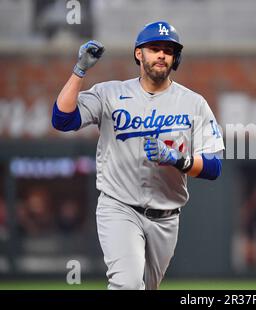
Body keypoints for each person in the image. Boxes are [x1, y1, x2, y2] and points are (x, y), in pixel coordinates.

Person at [51, 21, 225, 290]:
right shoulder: (111, 93)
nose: (161, 55)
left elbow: (214, 166)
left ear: (175, 57)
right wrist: (79, 70)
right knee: (128, 285)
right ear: (138, 54)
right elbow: (62, 119)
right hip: (119, 206)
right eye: (154, 48)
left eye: (168, 50)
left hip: (166, 216)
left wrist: (179, 159)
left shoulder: (194, 103)